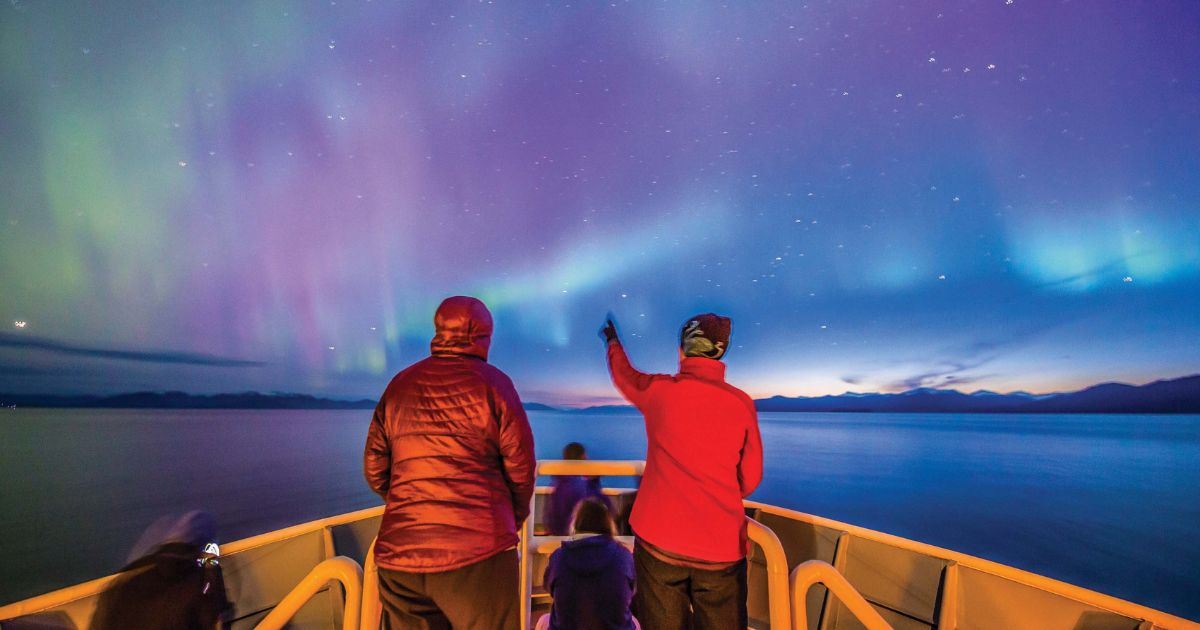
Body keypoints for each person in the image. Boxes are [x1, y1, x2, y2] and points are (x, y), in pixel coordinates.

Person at [364, 296, 536, 630]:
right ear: (484, 338)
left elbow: (375, 468)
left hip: (401, 559)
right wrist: (507, 518)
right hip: (479, 554)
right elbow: (521, 469)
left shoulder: (400, 385)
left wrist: (412, 505)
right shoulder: (495, 385)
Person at [600, 313, 763, 630]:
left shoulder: (660, 392)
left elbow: (624, 375)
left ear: (682, 350)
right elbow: (751, 478)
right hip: (720, 549)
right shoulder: (741, 404)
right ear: (721, 352)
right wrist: (718, 491)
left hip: (660, 543)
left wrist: (612, 341)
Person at [91, 511, 230, 630]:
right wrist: (213, 570)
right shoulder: (199, 583)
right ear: (202, 547)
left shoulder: (124, 583)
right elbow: (215, 617)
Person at [538, 498, 638, 630]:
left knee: (543, 621)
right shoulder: (623, 556)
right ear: (608, 525)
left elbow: (548, 587)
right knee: (635, 621)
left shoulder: (559, 556)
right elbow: (632, 590)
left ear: (577, 525)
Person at [544, 442, 614, 536]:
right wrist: (594, 482)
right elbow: (605, 509)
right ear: (583, 458)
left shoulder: (557, 486)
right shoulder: (582, 487)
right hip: (578, 540)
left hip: (559, 538)